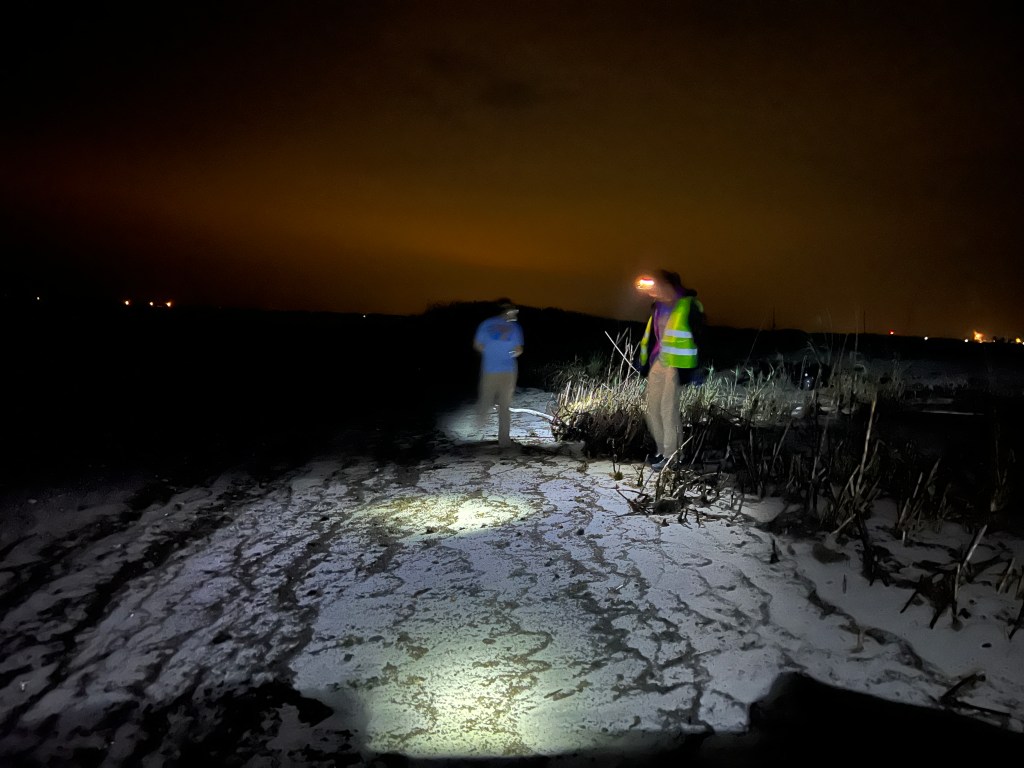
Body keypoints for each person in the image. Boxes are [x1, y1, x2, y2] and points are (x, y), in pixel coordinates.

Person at [635, 270, 705, 471]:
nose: (652, 290)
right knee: (652, 409)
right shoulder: (657, 307)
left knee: (668, 411)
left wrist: (696, 370)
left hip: (677, 364)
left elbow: (701, 337)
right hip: (659, 362)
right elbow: (652, 336)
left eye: (655, 285)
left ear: (668, 285)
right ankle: (661, 451)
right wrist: (643, 362)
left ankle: (672, 456)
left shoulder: (688, 305)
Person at [473, 299, 524, 448]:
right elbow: (519, 350)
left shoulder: (485, 324)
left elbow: (477, 345)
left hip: (490, 370)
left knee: (486, 399)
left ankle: (477, 429)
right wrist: (508, 354)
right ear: (507, 311)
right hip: (507, 371)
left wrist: (491, 352)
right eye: (514, 311)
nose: (515, 313)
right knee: (504, 406)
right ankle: (504, 440)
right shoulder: (514, 327)